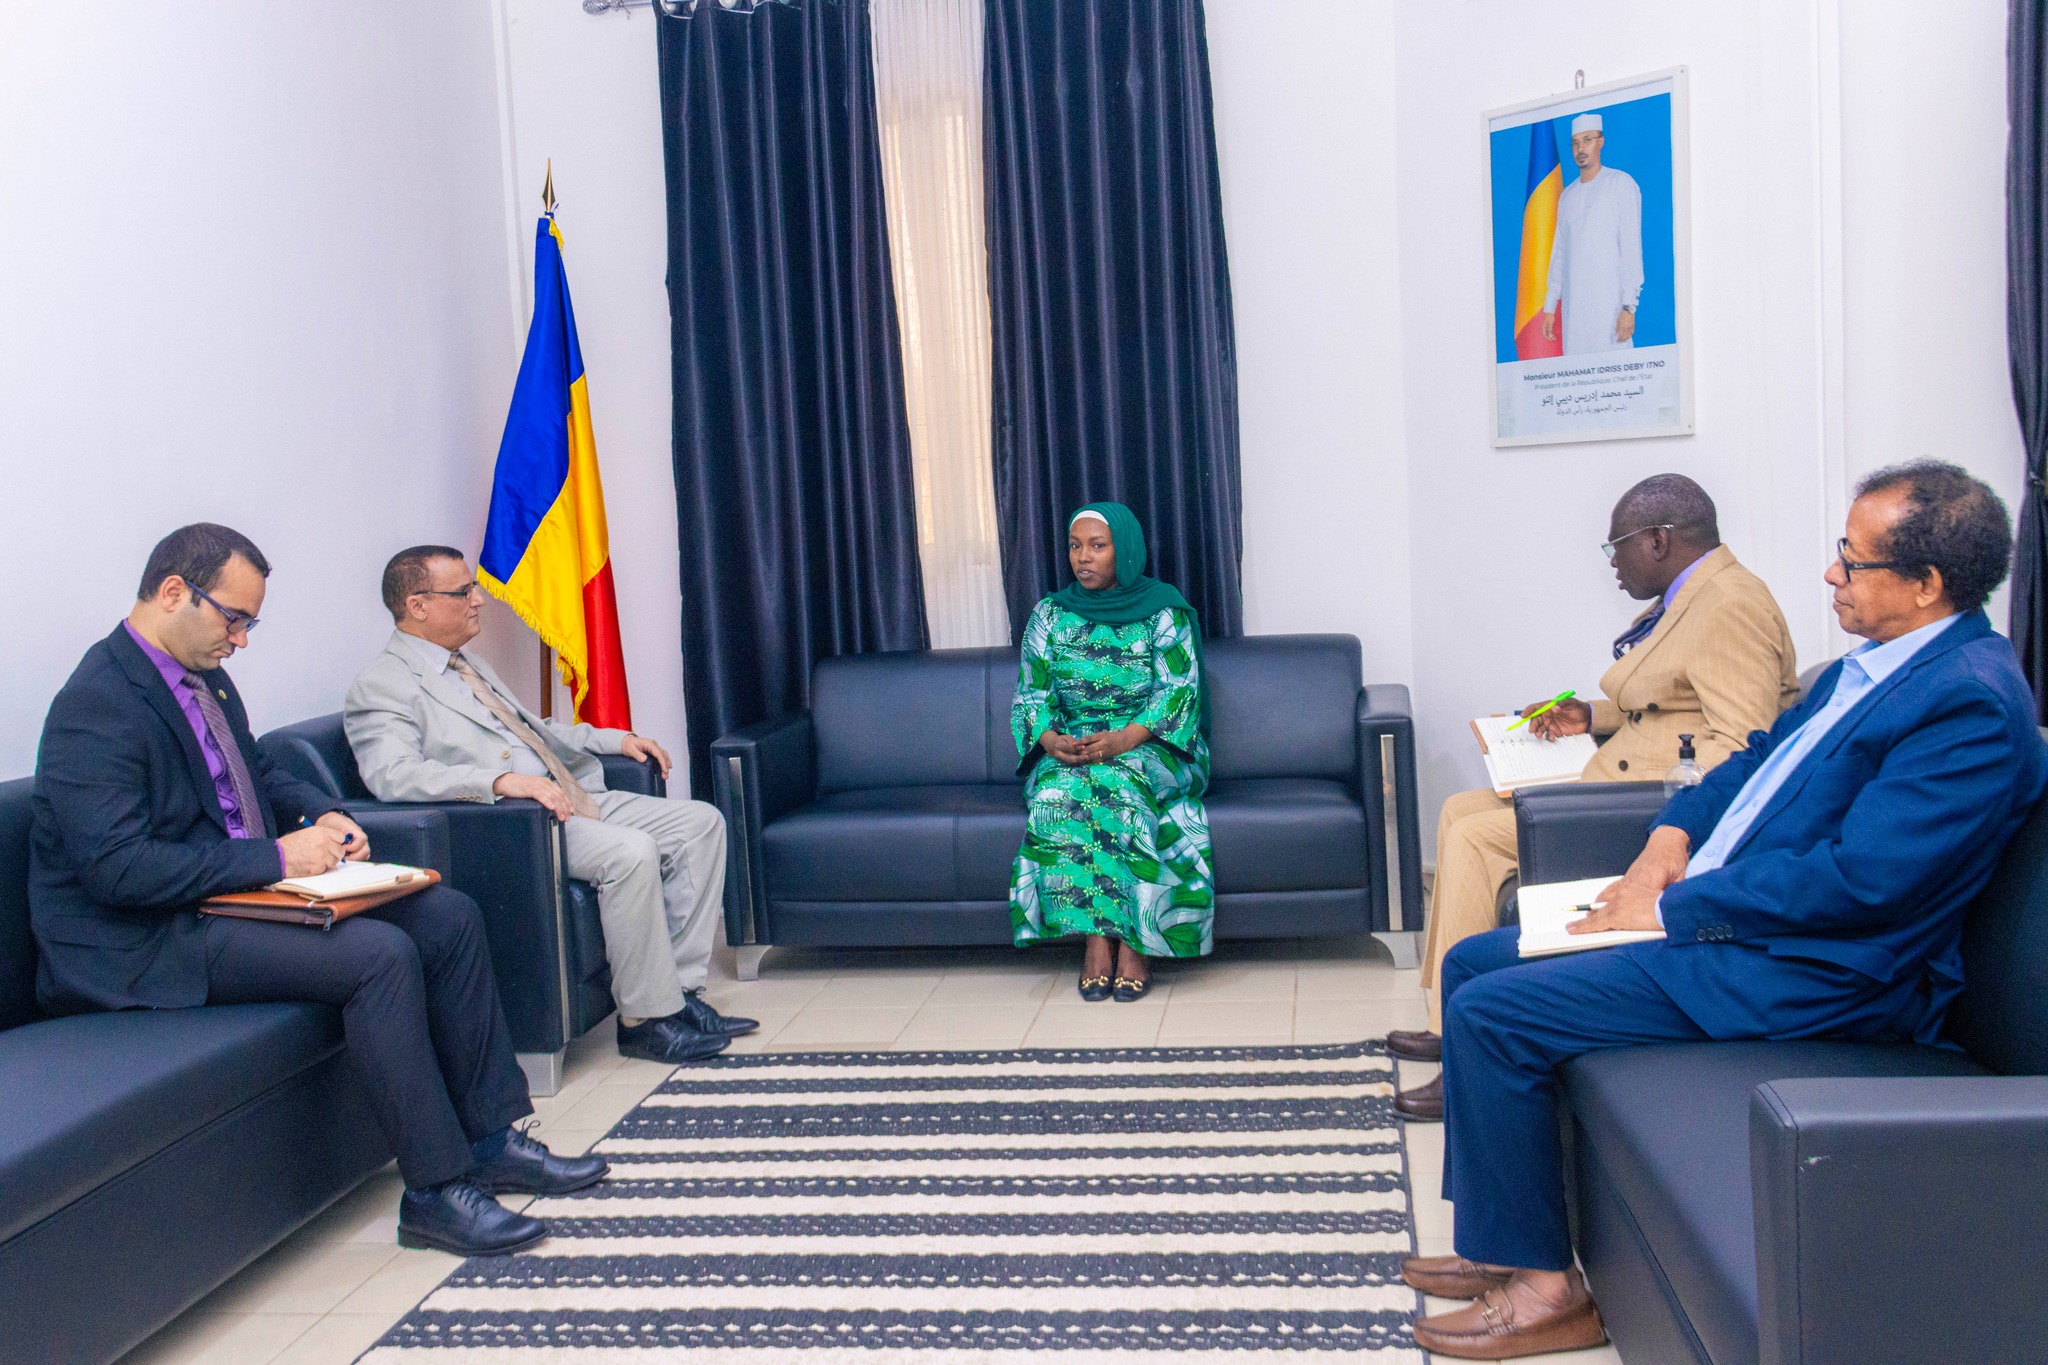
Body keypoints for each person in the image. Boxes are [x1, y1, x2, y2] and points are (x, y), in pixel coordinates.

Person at [1403, 461, 2047, 1359]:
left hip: (1822, 971)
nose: (1831, 576)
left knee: (1495, 1010)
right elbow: (1750, 761)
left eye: (1851, 562)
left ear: (1927, 584)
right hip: (1740, 916)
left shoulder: (1970, 707)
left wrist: (1672, 906)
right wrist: (1669, 840)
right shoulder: (1868, 669)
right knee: (1477, 960)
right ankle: (1506, 1240)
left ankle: (1550, 1294)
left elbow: (1864, 882)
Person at [31, 524, 605, 1257]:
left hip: (229, 897)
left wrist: (321, 815)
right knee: (377, 954)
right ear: (174, 591)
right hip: (145, 939)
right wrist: (276, 857)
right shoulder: (96, 703)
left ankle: (491, 1137)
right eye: (232, 618)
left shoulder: (203, 676)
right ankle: (435, 1191)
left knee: (449, 915)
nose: (240, 639)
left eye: (249, 623)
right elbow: (118, 869)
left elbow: (259, 776)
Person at [1393, 474, 1797, 1120]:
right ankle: (1451, 1024)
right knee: (1460, 808)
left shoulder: (1731, 605)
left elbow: (1744, 743)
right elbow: (1673, 697)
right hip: (1618, 775)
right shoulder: (1691, 594)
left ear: (1660, 539)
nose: (1612, 564)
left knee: (1473, 835)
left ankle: (1461, 1055)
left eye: (1618, 547)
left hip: (1646, 805)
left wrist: (1669, 807)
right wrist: (1593, 716)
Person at [345, 546, 752, 1065]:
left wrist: (610, 740)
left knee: (702, 824)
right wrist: (500, 781)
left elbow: (534, 730)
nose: (479, 600)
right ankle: (646, 1022)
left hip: (571, 793)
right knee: (630, 852)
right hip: (520, 824)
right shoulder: (382, 685)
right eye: (464, 591)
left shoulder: (468, 665)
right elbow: (392, 775)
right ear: (417, 604)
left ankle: (677, 995)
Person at [1010, 503, 1210, 1001]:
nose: (1084, 557)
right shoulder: (1049, 614)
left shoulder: (1164, 610)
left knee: (1119, 783)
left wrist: (1122, 741)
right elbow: (1031, 696)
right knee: (1064, 789)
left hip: (1152, 746)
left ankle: (1134, 944)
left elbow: (1177, 692)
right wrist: (1052, 740)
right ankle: (1099, 939)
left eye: (1097, 546)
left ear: (1125, 549)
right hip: (1074, 743)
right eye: (1076, 546)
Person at [1541, 111, 1645, 356]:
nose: (1581, 148)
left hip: (1610, 310)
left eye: (1587, 140)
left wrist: (1629, 307)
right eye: (1576, 143)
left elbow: (1631, 248)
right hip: (1574, 314)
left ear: (1601, 141)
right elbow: (1560, 254)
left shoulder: (1619, 183)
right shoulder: (1568, 195)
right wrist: (1549, 306)